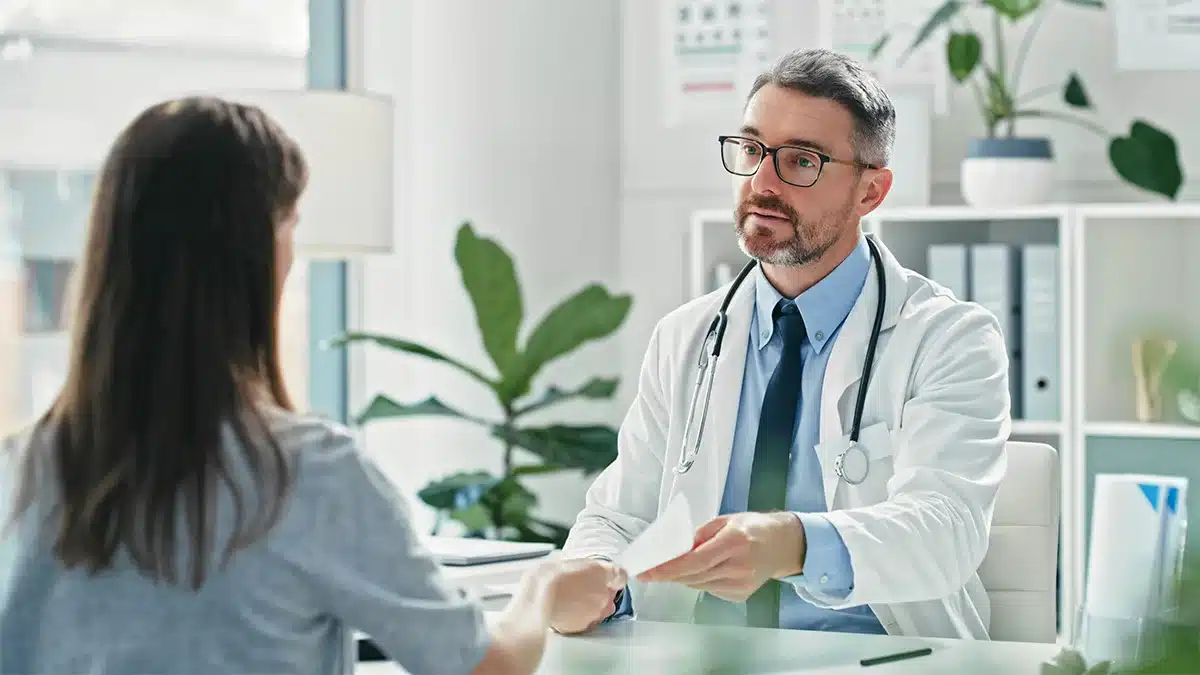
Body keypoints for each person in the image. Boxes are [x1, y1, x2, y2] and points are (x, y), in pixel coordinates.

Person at [0, 96, 624, 675]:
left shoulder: (25, 467)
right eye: (290, 224)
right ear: (252, 253)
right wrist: (542, 588)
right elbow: (487, 668)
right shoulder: (307, 472)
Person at [552, 48, 1010, 639]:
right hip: (700, 656)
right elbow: (618, 514)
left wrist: (793, 544)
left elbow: (947, 530)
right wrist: (590, 577)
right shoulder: (686, 337)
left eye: (801, 160)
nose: (762, 182)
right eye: (752, 150)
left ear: (871, 192)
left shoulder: (949, 339)